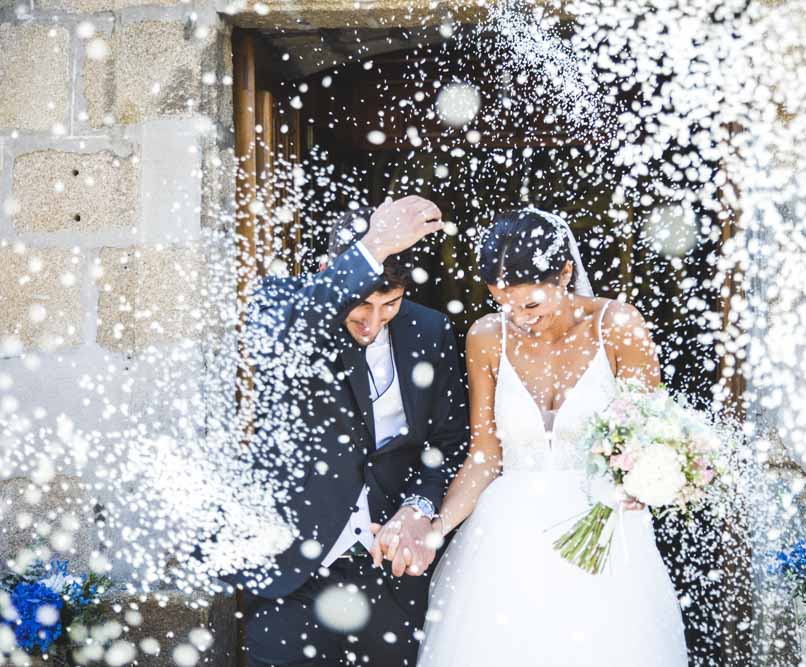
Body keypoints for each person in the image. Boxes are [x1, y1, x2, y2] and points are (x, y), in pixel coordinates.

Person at [416, 207, 688, 666]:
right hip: (505, 540)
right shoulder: (485, 337)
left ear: (565, 273)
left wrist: (646, 478)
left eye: (531, 304)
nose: (518, 318)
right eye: (503, 303)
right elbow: (486, 455)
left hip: (605, 538)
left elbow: (655, 434)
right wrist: (438, 528)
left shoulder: (619, 327)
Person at [233, 196, 469, 667]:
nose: (373, 321)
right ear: (331, 269)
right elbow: (274, 335)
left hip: (390, 576)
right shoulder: (287, 307)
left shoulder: (431, 330)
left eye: (390, 305)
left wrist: (418, 506)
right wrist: (371, 248)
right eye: (362, 304)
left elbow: (449, 441)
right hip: (294, 575)